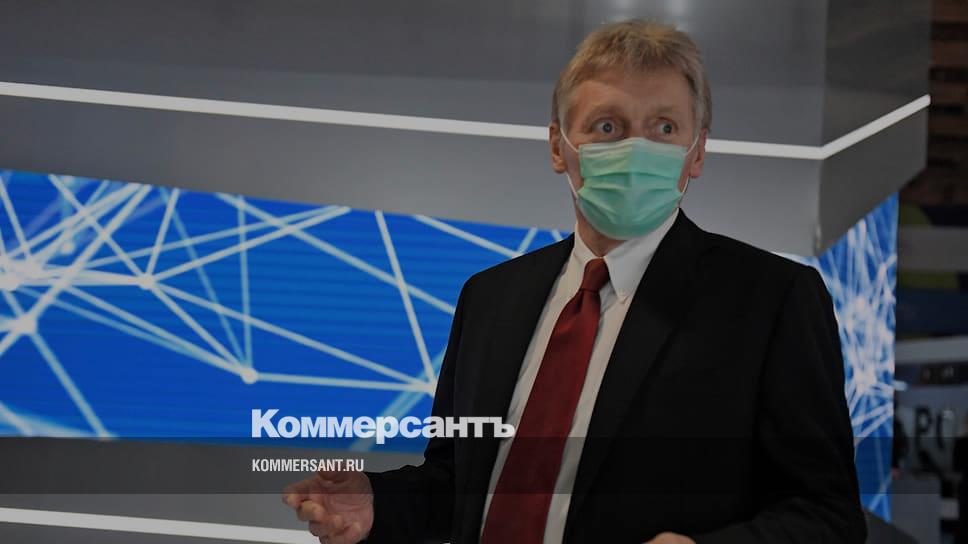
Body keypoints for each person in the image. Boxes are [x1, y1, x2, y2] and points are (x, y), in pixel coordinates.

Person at [283, 19, 867, 543]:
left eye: (664, 127)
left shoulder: (772, 300)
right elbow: (457, 485)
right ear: (559, 148)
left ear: (697, 153)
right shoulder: (490, 298)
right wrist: (378, 504)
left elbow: (827, 516)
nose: (635, 149)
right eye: (607, 126)